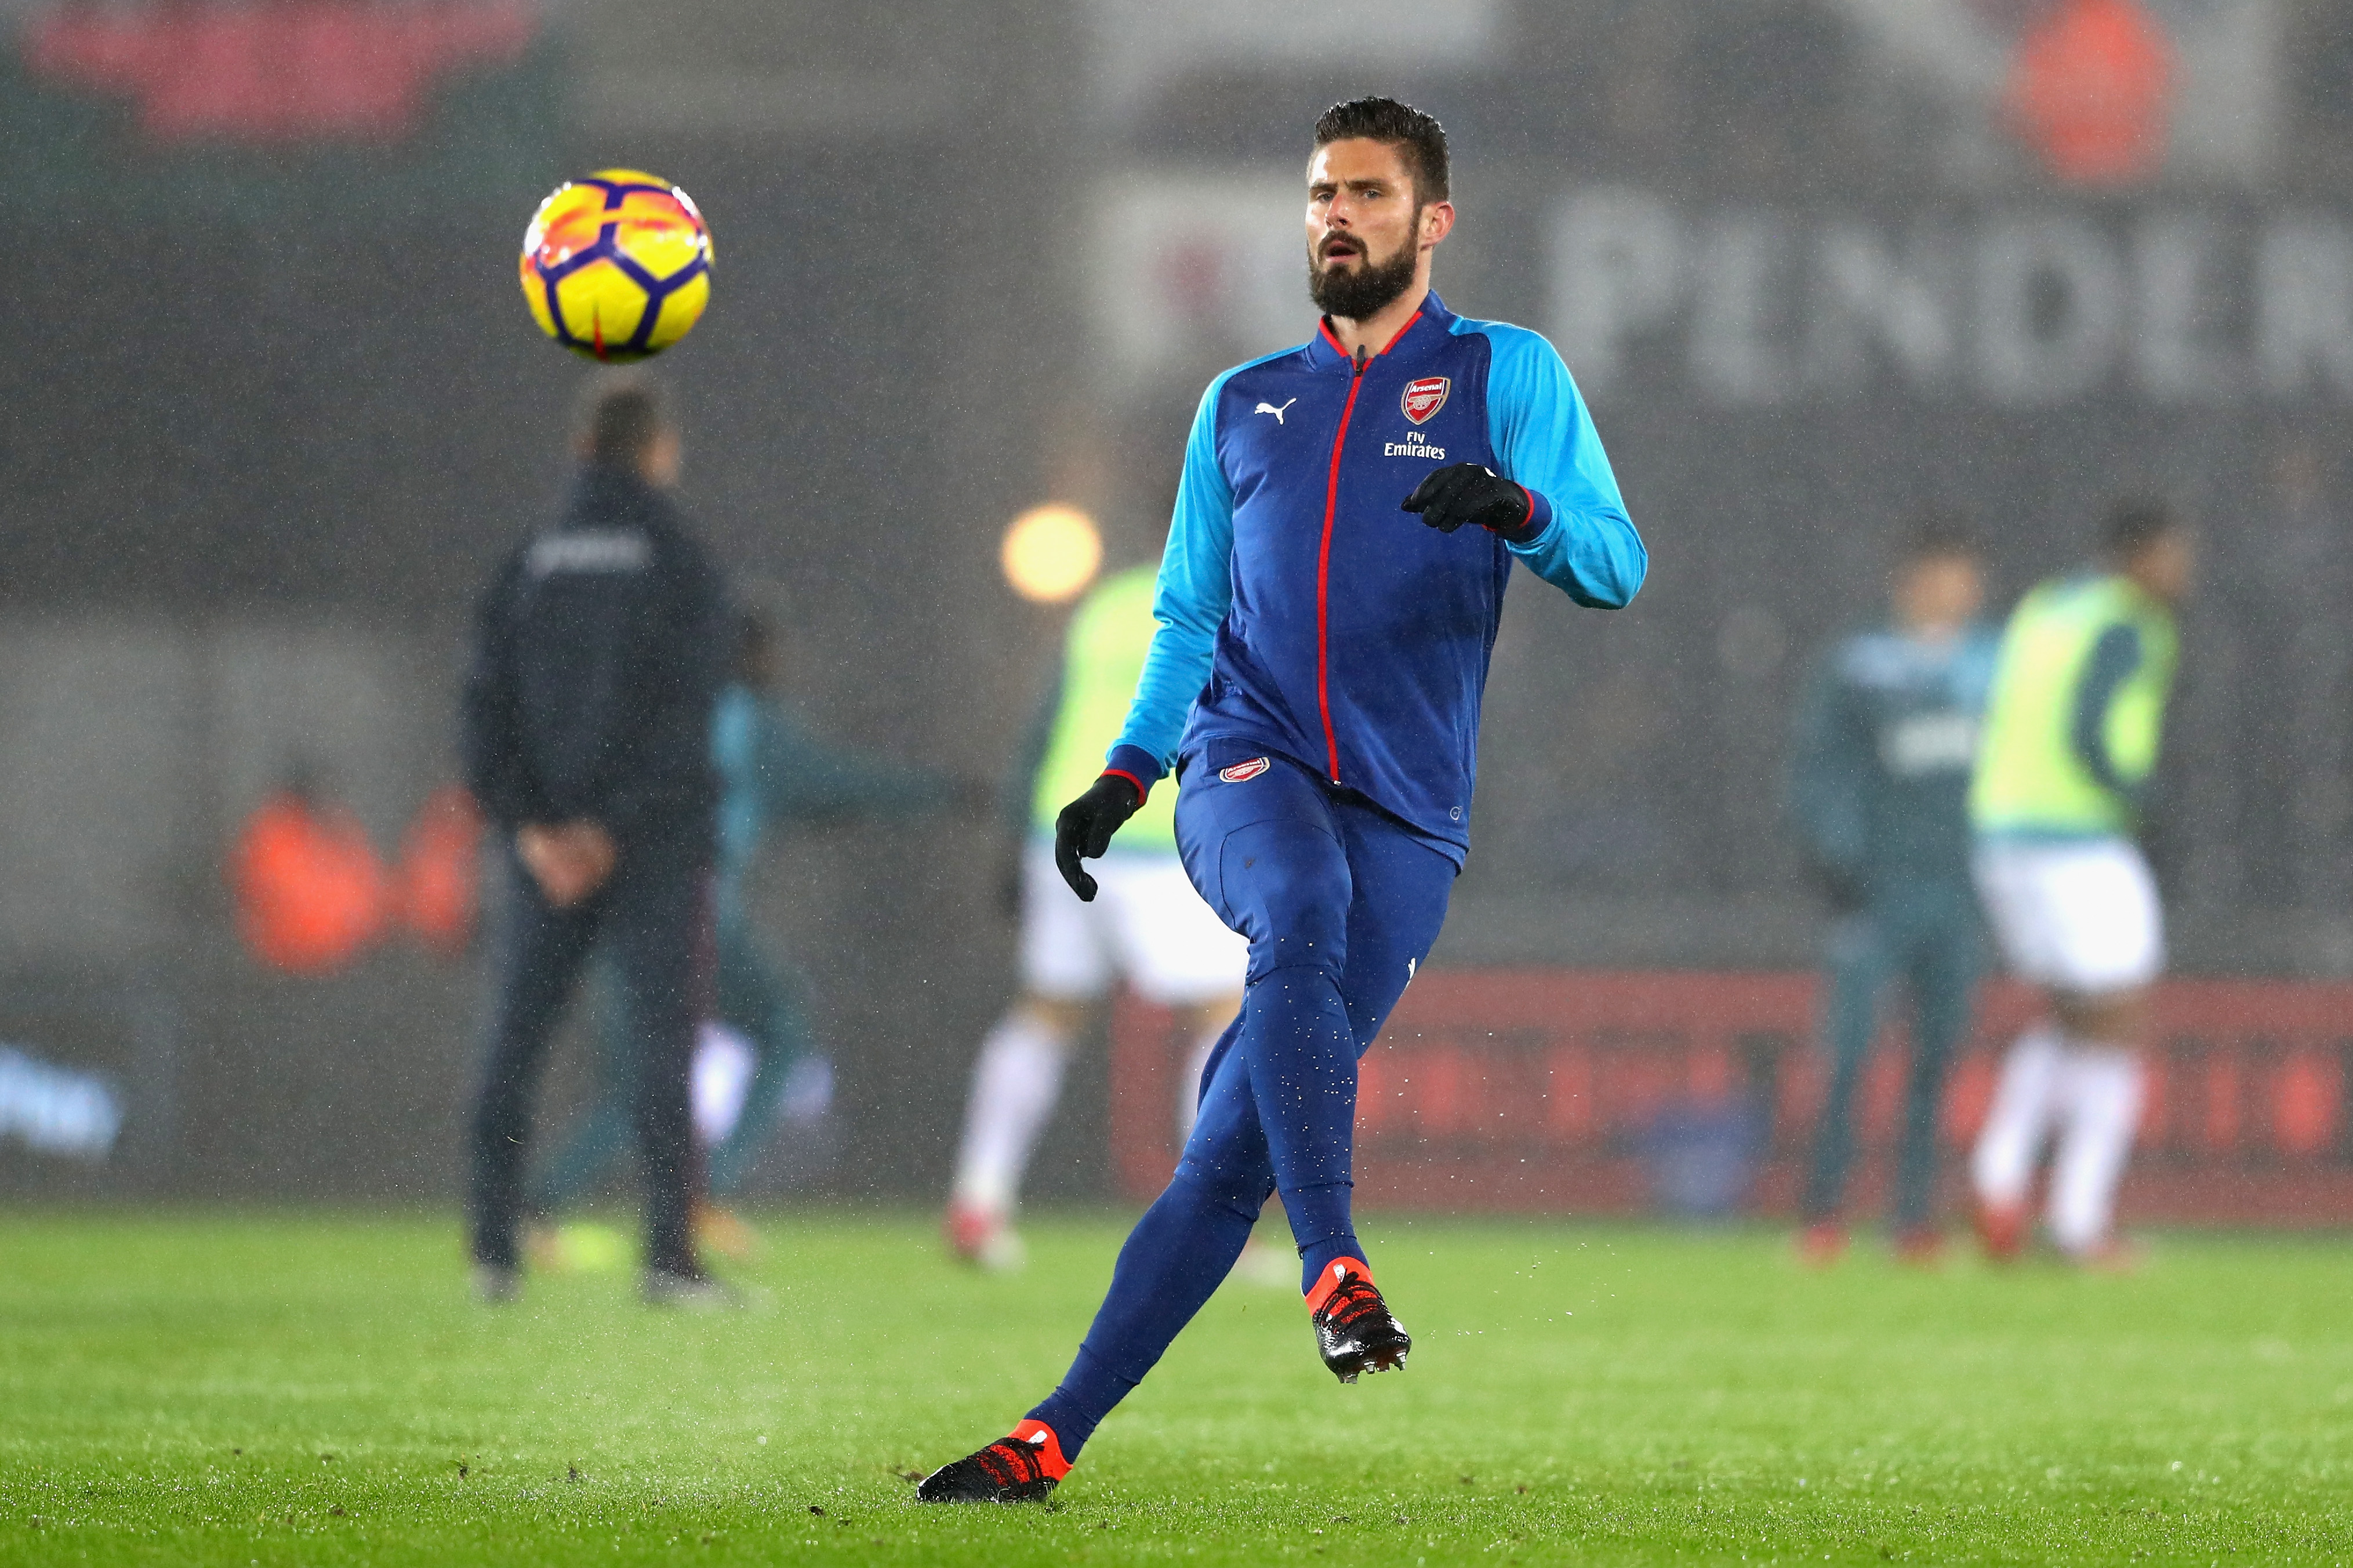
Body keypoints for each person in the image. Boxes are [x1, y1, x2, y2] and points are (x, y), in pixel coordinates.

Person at [916, 96, 1646, 1503]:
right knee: (1295, 907)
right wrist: (1127, 772)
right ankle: (1335, 1264)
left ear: (1430, 223)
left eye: (1367, 194)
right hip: (1244, 760)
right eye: (1321, 192)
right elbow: (1186, 613)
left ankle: (1043, 1438)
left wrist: (1520, 513)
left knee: (1230, 1147)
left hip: (1411, 813)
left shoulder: (1508, 374)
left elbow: (1614, 565)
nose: (1335, 215)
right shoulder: (1243, 400)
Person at [528, 609, 961, 1238]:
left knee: (642, 1074)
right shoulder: (744, 719)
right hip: (690, 904)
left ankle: (541, 1206)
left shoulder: (652, 714)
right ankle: (704, 1192)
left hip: (615, 903)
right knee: (778, 1028)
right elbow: (835, 781)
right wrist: (939, 793)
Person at [459, 370, 730, 1305]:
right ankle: (668, 1260)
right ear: (657, 453)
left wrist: (535, 827)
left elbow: (485, 706)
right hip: (647, 846)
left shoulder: (527, 561)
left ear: (580, 451)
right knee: (660, 1046)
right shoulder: (680, 559)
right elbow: (686, 715)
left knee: (514, 1042)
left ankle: (492, 1253)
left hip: (543, 855)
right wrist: (612, 829)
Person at [944, 562, 1248, 1271]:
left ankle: (978, 1199)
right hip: (1160, 834)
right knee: (1223, 1016)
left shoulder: (1109, 603)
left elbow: (1044, 723)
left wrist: (1016, 835)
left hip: (1071, 821)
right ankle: (1211, 1227)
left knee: (1046, 1013)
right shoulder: (1245, 594)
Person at [1966, 497, 2191, 1267]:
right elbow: (2090, 728)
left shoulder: (2047, 605)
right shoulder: (2130, 621)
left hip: (2001, 833)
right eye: (2171, 555)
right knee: (2121, 1019)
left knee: (2071, 1018)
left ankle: (1997, 1178)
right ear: (2139, 557)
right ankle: (2078, 1221)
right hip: (2077, 838)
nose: (2180, 571)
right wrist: (2139, 798)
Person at [1787, 521, 1999, 1267]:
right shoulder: (1859, 666)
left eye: (1964, 577)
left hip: (1958, 889)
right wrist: (1839, 856)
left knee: (1939, 1058)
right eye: (1941, 576)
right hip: (1878, 889)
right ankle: (1822, 1215)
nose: (1955, 592)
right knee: (1848, 1055)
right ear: (1908, 581)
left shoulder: (1996, 664)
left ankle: (1914, 1220)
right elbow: (1819, 768)